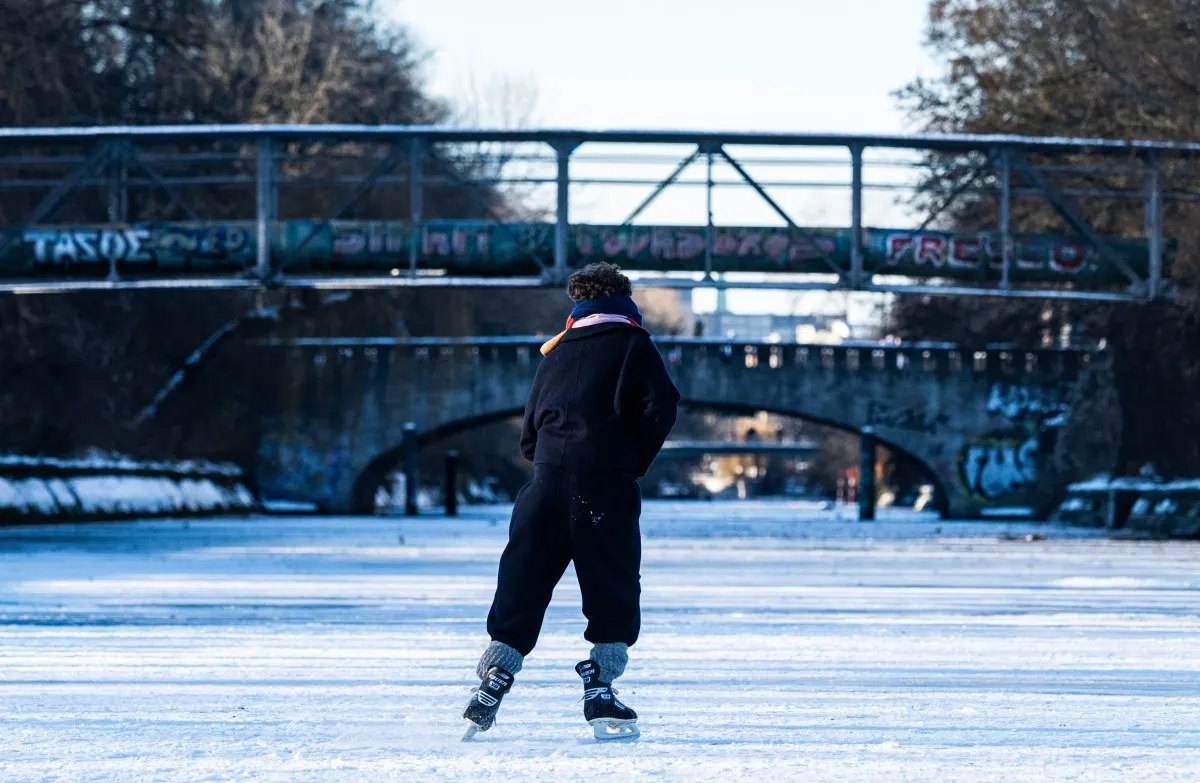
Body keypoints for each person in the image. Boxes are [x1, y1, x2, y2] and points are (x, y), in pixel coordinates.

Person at [462, 263, 680, 742]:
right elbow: (661, 407)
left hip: (543, 486)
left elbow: (529, 429)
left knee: (526, 577)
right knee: (611, 581)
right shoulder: (634, 345)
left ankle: (496, 676)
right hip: (603, 485)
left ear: (578, 306)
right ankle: (599, 685)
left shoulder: (555, 354)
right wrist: (630, 458)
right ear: (624, 302)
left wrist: (546, 463)